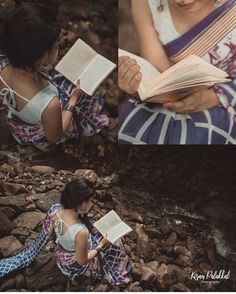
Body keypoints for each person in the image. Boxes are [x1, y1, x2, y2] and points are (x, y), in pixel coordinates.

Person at [118, 0, 236, 144]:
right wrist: (137, 85)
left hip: (228, 95)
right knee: (138, 126)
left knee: (192, 136)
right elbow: (158, 75)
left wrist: (213, 97)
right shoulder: (145, 3)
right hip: (182, 94)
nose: (182, 1)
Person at [0, 3, 108, 146]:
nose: (58, 46)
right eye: (56, 44)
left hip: (16, 122)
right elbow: (54, 137)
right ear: (44, 55)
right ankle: (91, 124)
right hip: (34, 136)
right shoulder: (49, 103)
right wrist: (73, 100)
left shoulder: (2, 61)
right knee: (87, 92)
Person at [0, 177, 130, 286]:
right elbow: (82, 261)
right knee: (114, 241)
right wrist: (101, 245)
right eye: (90, 201)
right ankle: (118, 269)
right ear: (81, 202)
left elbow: (45, 237)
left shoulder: (55, 209)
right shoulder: (81, 231)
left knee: (99, 234)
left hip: (61, 257)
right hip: (73, 268)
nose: (92, 204)